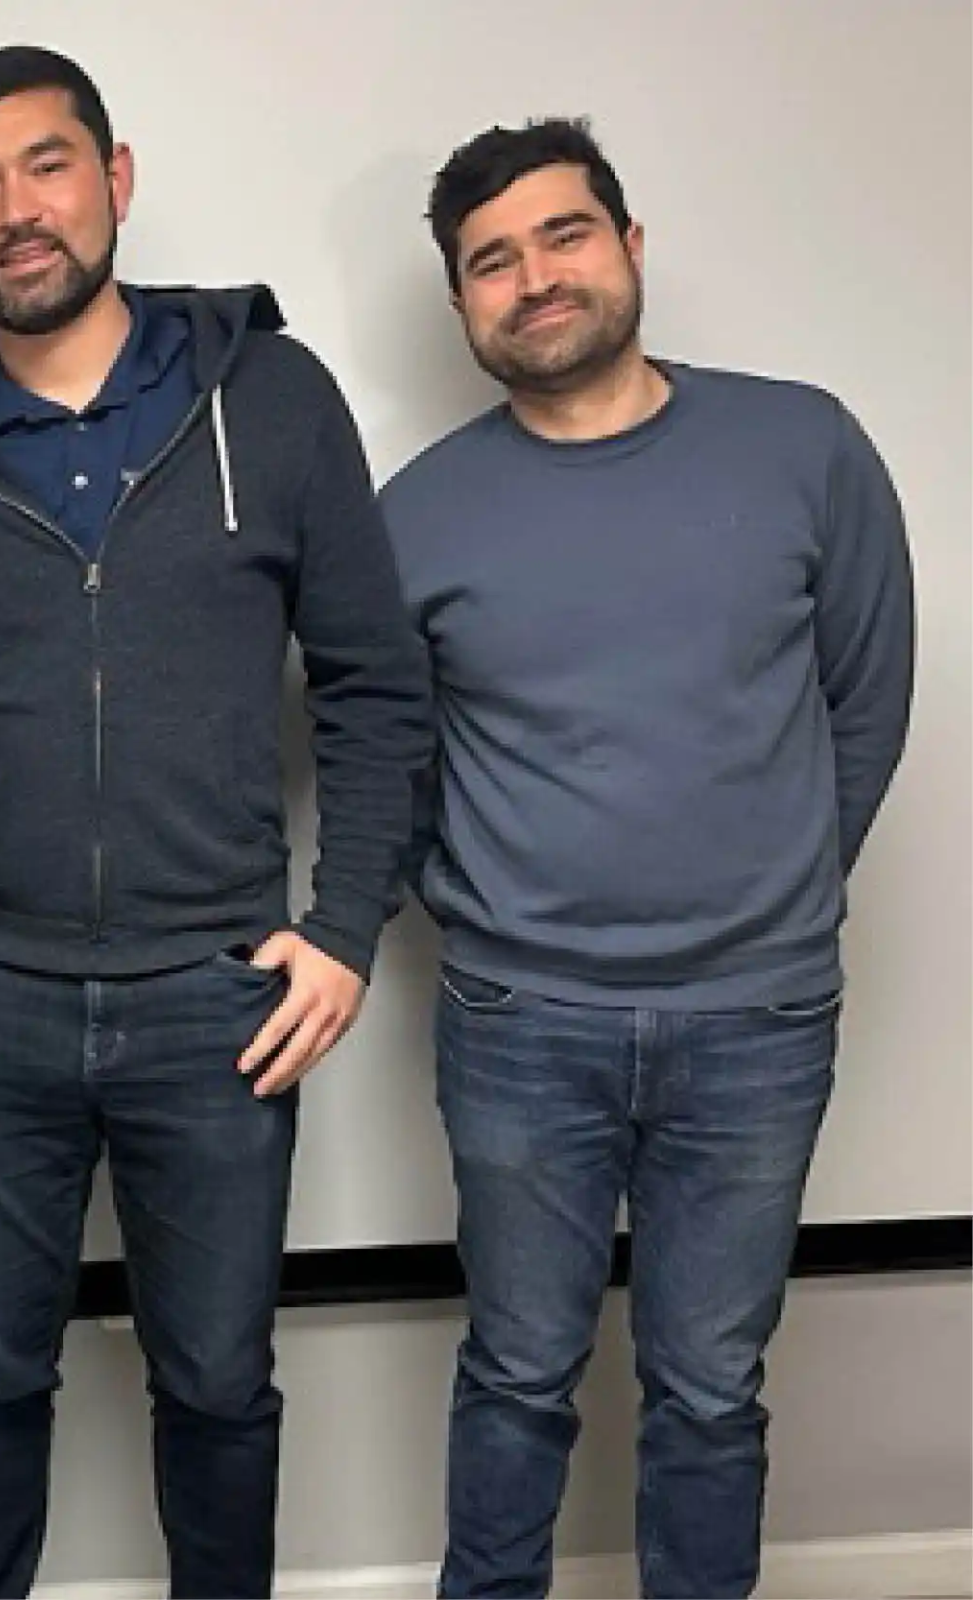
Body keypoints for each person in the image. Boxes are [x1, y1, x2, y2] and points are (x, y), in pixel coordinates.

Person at [0, 46, 434, 1598]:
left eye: (47, 165)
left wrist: (342, 932)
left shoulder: (273, 400)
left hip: (217, 1002)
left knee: (220, 1389)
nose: (15, 210)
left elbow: (380, 686)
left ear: (117, 180)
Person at [380, 118, 915, 1600]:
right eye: (491, 260)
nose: (532, 277)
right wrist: (483, 906)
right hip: (517, 1023)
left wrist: (782, 878)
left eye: (561, 236)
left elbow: (865, 698)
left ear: (628, 244)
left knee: (708, 1390)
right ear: (462, 305)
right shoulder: (420, 514)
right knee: (516, 1372)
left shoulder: (802, 445)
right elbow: (391, 762)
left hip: (759, 1017)